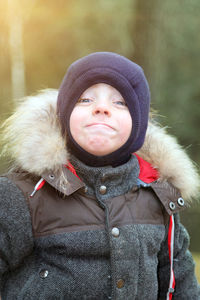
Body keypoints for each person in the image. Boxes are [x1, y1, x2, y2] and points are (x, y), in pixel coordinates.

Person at [0, 52, 199, 300]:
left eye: (120, 103)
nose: (102, 108)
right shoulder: (23, 194)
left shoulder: (159, 195)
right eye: (85, 99)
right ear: (65, 113)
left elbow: (180, 285)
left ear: (138, 123)